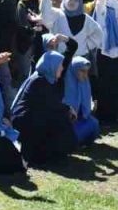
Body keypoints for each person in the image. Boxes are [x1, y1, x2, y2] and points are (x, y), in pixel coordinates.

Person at [10, 36, 79, 165]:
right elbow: (50, 104)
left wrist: (65, 39)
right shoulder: (39, 80)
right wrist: (68, 108)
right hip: (27, 122)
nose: (62, 68)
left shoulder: (54, 75)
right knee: (58, 118)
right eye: (60, 66)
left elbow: (72, 49)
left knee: (61, 119)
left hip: (40, 116)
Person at [64, 56, 101, 146]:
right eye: (82, 71)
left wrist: (91, 108)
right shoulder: (64, 83)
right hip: (66, 123)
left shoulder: (85, 82)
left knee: (94, 123)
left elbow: (84, 106)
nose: (85, 75)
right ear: (74, 69)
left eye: (87, 71)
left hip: (79, 120)